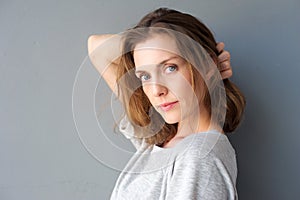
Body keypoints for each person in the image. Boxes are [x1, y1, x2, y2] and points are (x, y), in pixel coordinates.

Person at [88, 8, 245, 200]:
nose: (156, 90)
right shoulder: (161, 137)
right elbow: (95, 46)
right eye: (145, 76)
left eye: (170, 68)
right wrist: (148, 37)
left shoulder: (199, 157)